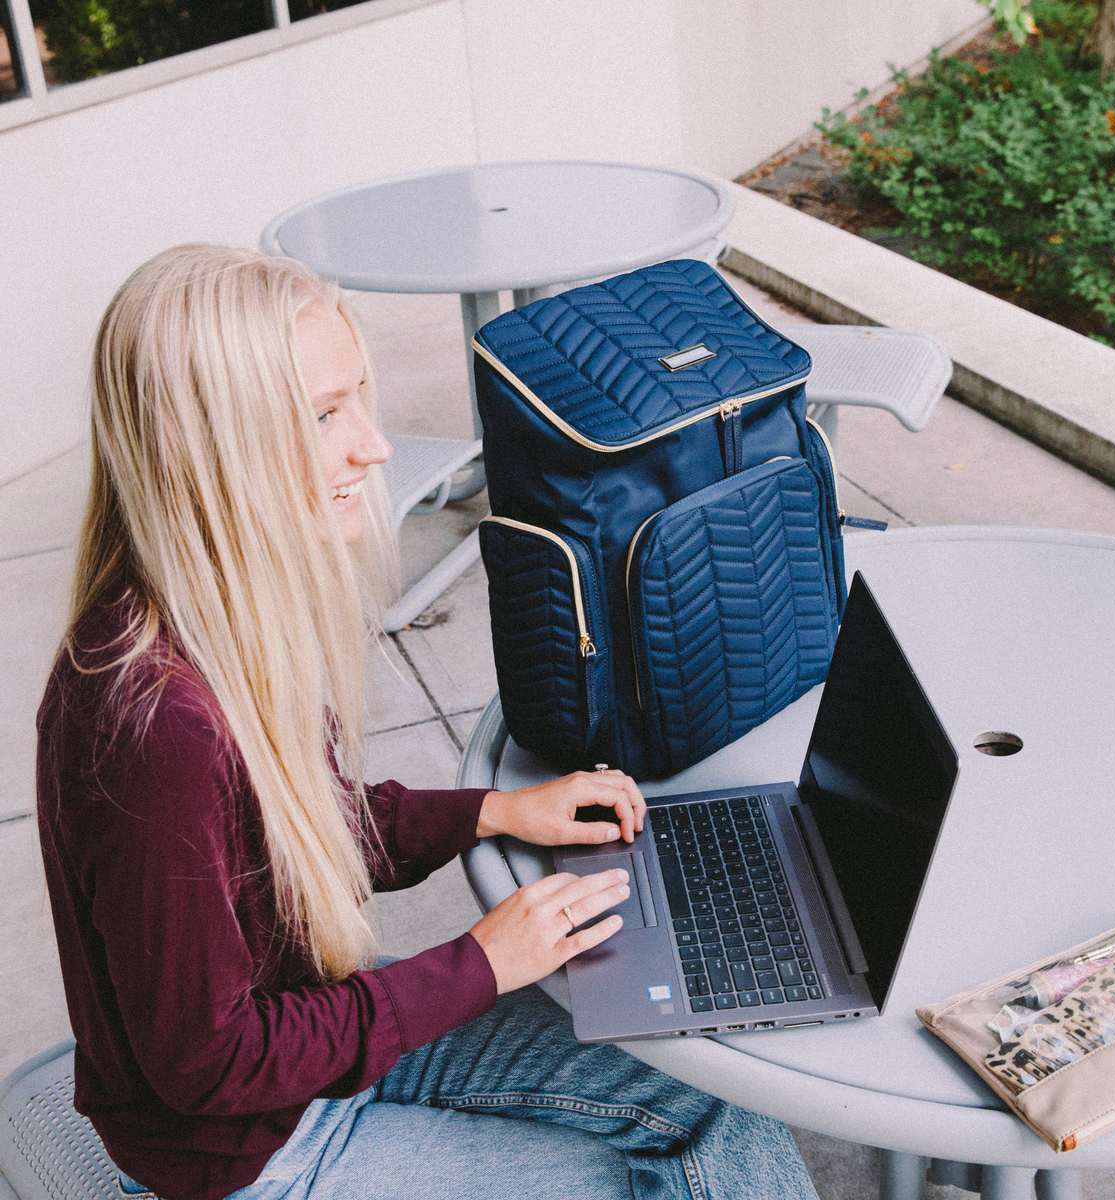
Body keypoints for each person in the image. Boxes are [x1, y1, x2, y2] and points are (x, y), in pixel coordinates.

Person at [36, 244, 818, 1200]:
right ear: (210, 449)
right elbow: (207, 1065)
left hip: (315, 1044)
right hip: (239, 1155)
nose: (374, 446)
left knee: (711, 1090)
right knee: (628, 1178)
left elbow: (294, 827)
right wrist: (482, 963)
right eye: (325, 415)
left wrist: (490, 813)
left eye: (358, 397)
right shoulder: (151, 723)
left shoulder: (224, 622)